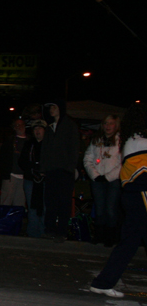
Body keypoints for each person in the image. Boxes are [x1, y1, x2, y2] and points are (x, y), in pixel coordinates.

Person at [89, 104, 147, 298]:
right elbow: (141, 175)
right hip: (140, 197)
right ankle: (103, 282)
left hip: (135, 196)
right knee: (128, 243)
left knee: (128, 243)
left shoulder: (134, 139)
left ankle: (103, 282)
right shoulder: (139, 142)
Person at [40, 100, 80, 240]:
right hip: (51, 170)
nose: (51, 109)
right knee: (50, 201)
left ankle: (62, 231)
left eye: (54, 107)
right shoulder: (50, 127)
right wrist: (44, 168)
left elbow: (74, 147)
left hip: (64, 170)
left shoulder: (69, 125)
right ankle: (49, 229)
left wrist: (70, 168)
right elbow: (45, 149)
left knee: (64, 202)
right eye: (50, 107)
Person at [83, 114, 121, 247]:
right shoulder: (96, 140)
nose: (108, 126)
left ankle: (110, 237)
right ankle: (99, 235)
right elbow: (87, 158)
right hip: (97, 179)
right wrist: (95, 175)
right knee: (99, 209)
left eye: (111, 123)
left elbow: (122, 163)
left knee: (111, 209)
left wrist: (108, 177)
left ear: (116, 125)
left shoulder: (120, 141)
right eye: (106, 123)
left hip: (113, 180)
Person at [19, 119, 48, 238]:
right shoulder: (29, 144)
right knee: (32, 208)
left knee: (45, 207)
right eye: (35, 129)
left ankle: (43, 232)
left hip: (45, 181)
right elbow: (22, 161)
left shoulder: (50, 145)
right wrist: (33, 170)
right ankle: (32, 233)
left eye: (40, 129)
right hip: (31, 180)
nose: (38, 131)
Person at [0, 118, 28, 207]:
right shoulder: (9, 141)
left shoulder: (30, 141)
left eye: (21, 125)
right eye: (17, 125)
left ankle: (16, 221)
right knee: (6, 201)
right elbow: (2, 158)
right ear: (14, 128)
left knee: (20, 203)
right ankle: (3, 220)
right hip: (10, 176)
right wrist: (4, 173)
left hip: (24, 177)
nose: (19, 127)